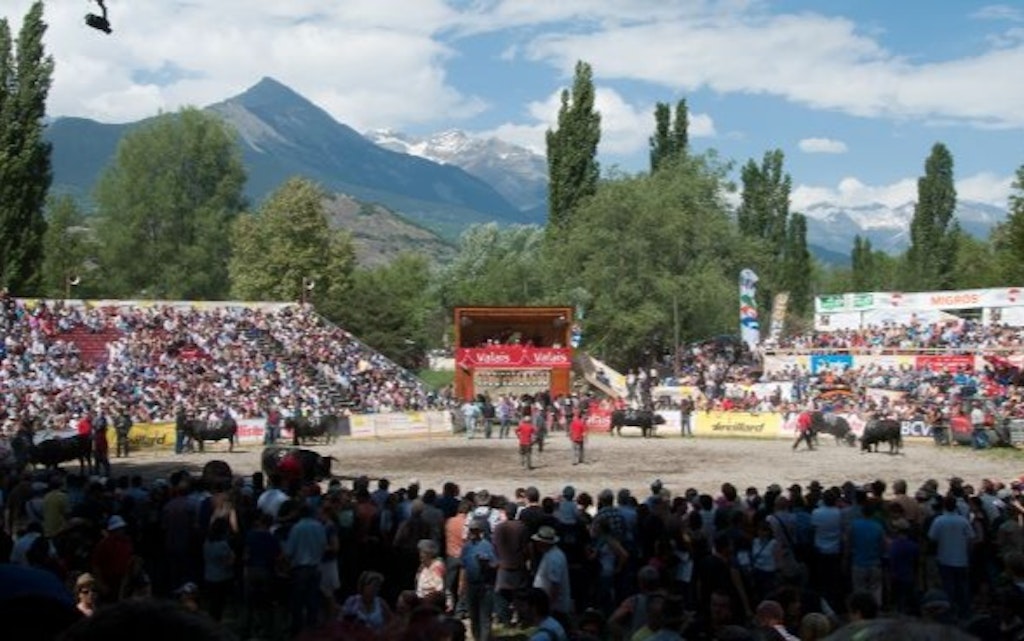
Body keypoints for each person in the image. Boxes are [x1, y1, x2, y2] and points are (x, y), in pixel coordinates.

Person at [461, 518, 497, 641]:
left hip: (485, 585)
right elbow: (463, 566)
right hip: (471, 586)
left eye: (475, 531)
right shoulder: (466, 547)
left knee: (484, 617)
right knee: (474, 616)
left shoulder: (487, 546)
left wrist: (485, 564)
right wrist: (461, 586)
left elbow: (495, 564)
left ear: (480, 532)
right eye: (471, 531)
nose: (472, 533)